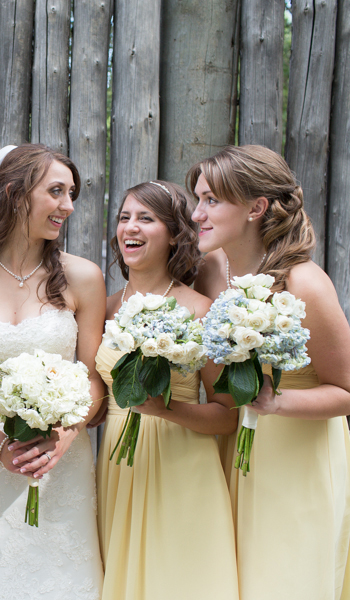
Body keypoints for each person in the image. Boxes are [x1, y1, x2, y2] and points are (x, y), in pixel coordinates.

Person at [0, 144, 106, 600]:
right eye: (55, 192)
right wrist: (0, 447)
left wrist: (61, 440)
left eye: (71, 194)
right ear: (13, 193)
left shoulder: (82, 277)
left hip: (59, 462)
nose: (68, 206)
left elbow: (93, 378)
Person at [188, 145, 350, 599]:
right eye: (197, 199)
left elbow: (348, 392)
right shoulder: (210, 270)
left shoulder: (305, 284)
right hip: (235, 455)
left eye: (211, 201)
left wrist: (276, 401)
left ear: (255, 207)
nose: (196, 213)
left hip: (296, 460)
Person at [95, 181, 239, 600]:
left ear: (175, 233)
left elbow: (227, 415)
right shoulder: (103, 308)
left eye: (145, 218)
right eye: (124, 218)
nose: (130, 228)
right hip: (119, 464)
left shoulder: (200, 310)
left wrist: (165, 408)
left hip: (183, 464)